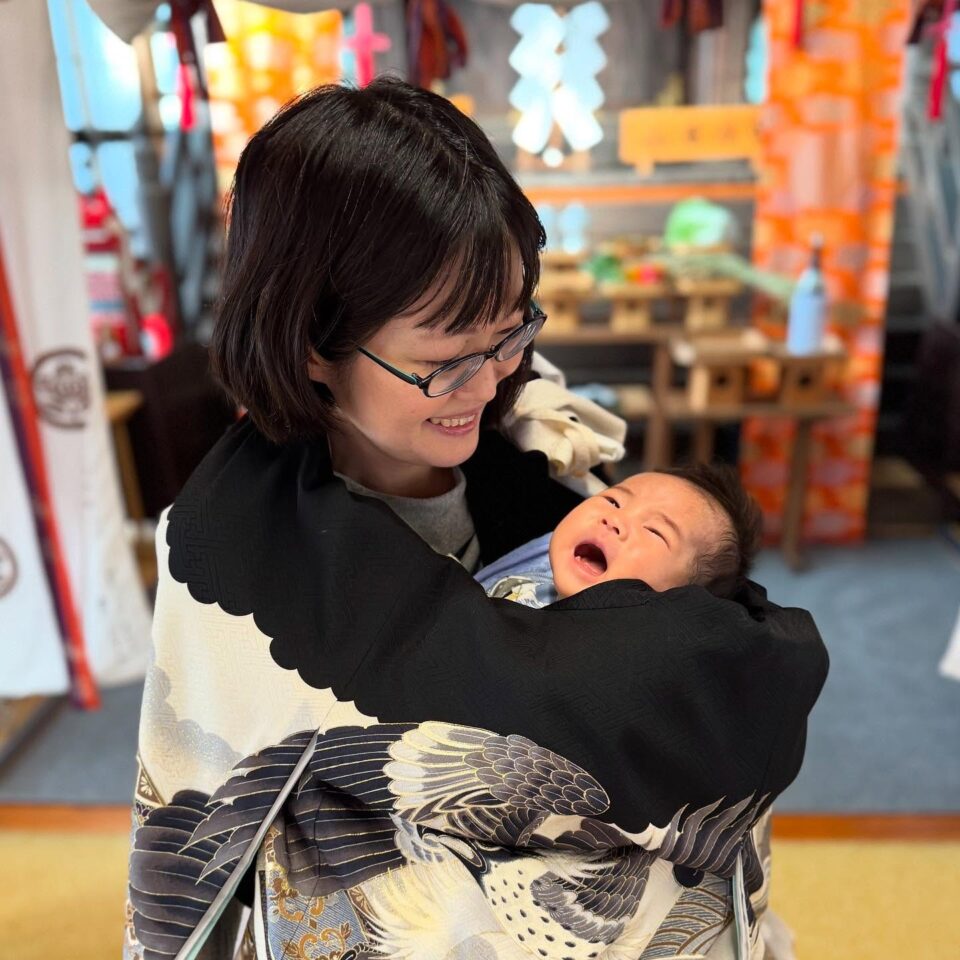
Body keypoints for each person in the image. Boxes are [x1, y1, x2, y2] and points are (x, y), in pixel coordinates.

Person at [125, 78, 828, 960]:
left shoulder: (535, 453)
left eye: (513, 332)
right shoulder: (236, 552)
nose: (494, 381)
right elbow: (210, 850)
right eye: (449, 360)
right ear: (311, 341)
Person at [477, 462, 763, 608]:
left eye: (654, 530)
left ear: (680, 602)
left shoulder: (619, 659)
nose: (614, 520)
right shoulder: (543, 559)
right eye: (614, 501)